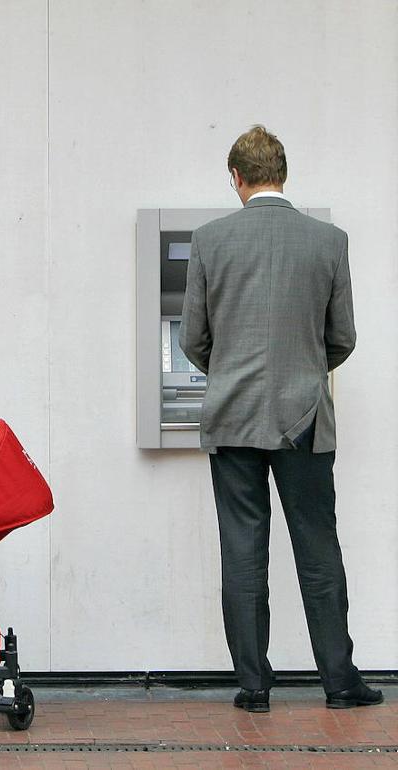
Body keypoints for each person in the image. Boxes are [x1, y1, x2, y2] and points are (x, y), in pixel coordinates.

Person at [180, 125, 382, 713]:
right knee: (319, 549)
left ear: (236, 178)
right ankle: (341, 683)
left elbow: (194, 338)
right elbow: (341, 337)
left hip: (232, 418)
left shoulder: (210, 240)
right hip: (305, 421)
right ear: (284, 174)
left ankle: (254, 687)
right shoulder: (329, 240)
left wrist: (229, 374)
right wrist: (307, 371)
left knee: (243, 551)